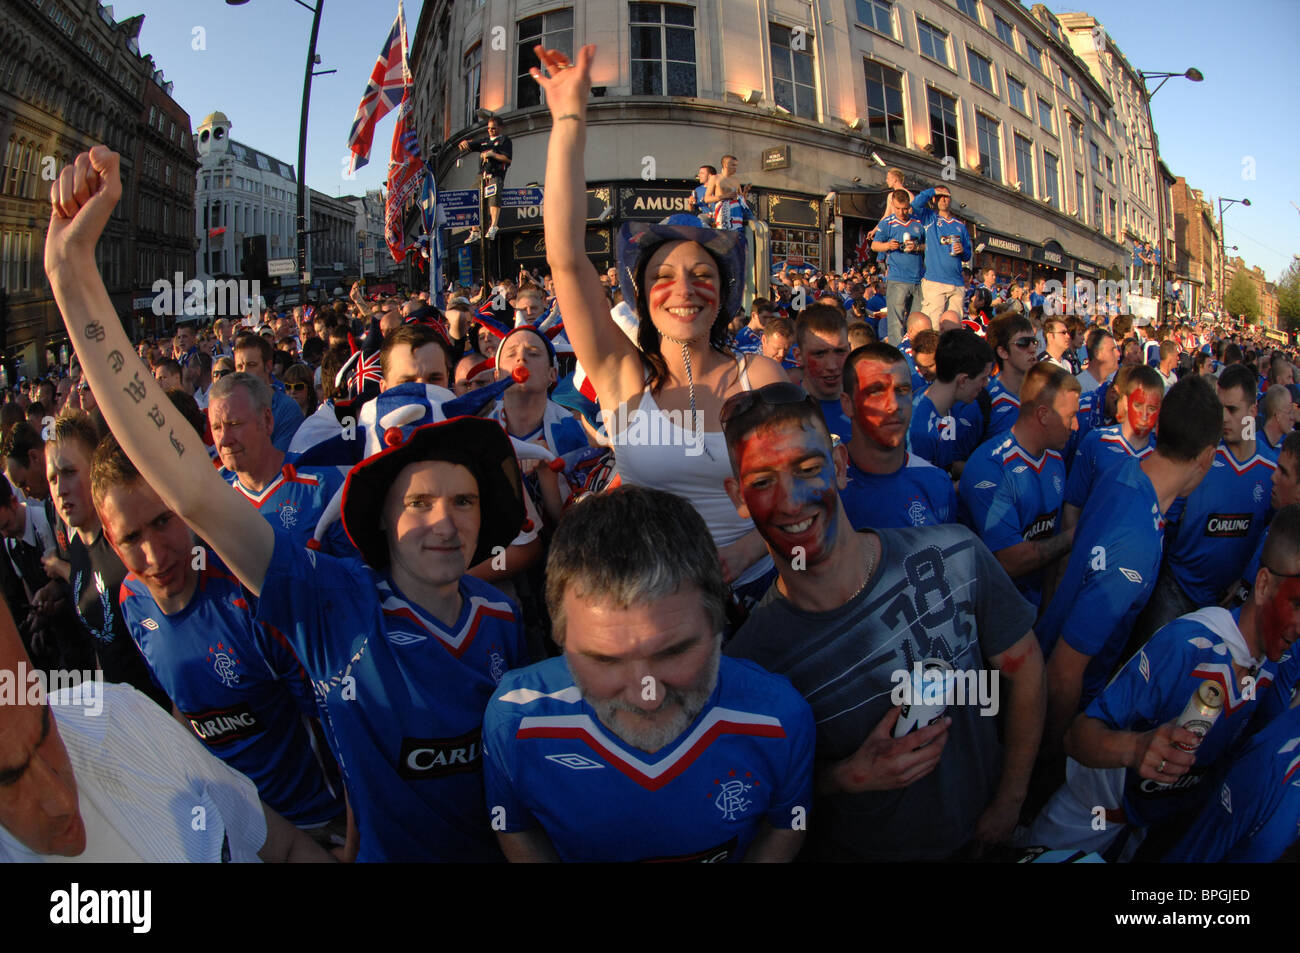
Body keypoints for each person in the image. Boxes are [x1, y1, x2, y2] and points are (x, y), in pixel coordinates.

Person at [45, 144, 530, 862]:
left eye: (462, 499)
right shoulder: (330, 606)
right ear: (378, 513)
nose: (444, 521)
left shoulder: (506, 620)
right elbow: (191, 488)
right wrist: (71, 276)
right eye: (419, 499)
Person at [720, 383, 1045, 861]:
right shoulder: (748, 664)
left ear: (841, 466)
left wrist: (1009, 802)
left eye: (808, 469)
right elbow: (759, 794)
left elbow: (1026, 669)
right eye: (763, 481)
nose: (790, 502)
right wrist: (845, 776)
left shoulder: (955, 553)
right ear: (739, 497)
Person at [532, 44, 787, 609]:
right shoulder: (622, 374)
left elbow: (808, 496)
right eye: (663, 277)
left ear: (722, 296)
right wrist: (569, 116)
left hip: (757, 600)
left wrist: (743, 555)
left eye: (703, 275)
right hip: (647, 605)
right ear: (642, 300)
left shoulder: (761, 377)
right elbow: (566, 256)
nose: (685, 288)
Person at [482, 487, 814, 862]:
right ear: (558, 637)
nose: (647, 696)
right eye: (605, 660)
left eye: (673, 653)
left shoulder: (782, 720)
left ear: (720, 624)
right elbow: (517, 828)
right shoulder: (515, 724)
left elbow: (786, 823)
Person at [92, 434, 346, 837]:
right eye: (131, 538)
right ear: (110, 540)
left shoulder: (251, 591)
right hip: (231, 832)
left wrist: (352, 837)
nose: (155, 556)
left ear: (187, 506)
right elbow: (186, 706)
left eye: (163, 521)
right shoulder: (131, 601)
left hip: (317, 826)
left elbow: (338, 716)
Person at [1030, 504, 1300, 861]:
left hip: (1147, 840)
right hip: (1084, 823)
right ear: (1264, 584)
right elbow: (1078, 736)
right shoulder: (1186, 646)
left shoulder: (1270, 665)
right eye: (1297, 603)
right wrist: (1136, 748)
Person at [0, 597, 331, 862]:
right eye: (8, 780)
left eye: (47, 726)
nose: (62, 800)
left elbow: (282, 846)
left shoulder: (117, 713)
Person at [1036, 376, 1222, 757]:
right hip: (1063, 711)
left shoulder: (1126, 471)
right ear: (1207, 458)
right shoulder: (1135, 546)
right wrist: (1054, 756)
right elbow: (1063, 673)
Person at [1133, 364, 1275, 644]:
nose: (1224, 418)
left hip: (1225, 605)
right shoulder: (1199, 455)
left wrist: (1245, 580)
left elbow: (1269, 536)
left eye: (1232, 409)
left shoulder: (1271, 470)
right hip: (1176, 589)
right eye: (1219, 408)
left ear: (1253, 411)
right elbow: (1163, 518)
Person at [958, 363, 1079, 608]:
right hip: (990, 613)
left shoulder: (1054, 458)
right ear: (1043, 415)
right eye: (1070, 416)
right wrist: (1077, 535)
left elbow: (1050, 546)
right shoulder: (991, 467)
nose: (1075, 426)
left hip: (1033, 607)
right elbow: (1010, 562)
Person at [838, 343, 956, 529]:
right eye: (876, 391)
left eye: (902, 391)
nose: (894, 405)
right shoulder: (824, 484)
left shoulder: (936, 483)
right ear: (847, 404)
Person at [1061, 364, 1162, 534]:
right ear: (1126, 401)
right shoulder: (1096, 441)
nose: (1144, 416)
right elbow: (1072, 506)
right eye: (1138, 405)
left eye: (1151, 408)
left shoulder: (1160, 455)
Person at [908, 328, 992, 474]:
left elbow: (946, 467)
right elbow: (922, 491)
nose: (986, 384)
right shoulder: (920, 429)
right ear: (963, 380)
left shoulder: (946, 408)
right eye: (983, 378)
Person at [232, 332, 303, 452]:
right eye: (239, 367)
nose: (244, 373)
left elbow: (276, 460)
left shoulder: (287, 409)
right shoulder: (233, 409)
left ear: (268, 366)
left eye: (251, 365)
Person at [871, 189, 925, 344]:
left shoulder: (918, 222)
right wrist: (888, 245)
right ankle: (898, 357)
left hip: (918, 279)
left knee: (916, 322)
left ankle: (913, 353)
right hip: (897, 278)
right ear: (892, 205)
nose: (902, 212)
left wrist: (917, 247)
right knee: (896, 323)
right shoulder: (887, 223)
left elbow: (928, 246)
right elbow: (874, 245)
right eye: (898, 208)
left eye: (905, 208)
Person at [794, 305, 853, 445]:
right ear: (798, 356)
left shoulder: (867, 407)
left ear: (850, 349)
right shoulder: (783, 413)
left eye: (840, 351)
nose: (832, 366)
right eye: (819, 354)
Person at [911, 185, 971, 321]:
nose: (943, 200)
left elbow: (968, 254)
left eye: (946, 196)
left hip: (956, 282)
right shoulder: (930, 218)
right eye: (939, 197)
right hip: (935, 281)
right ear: (934, 200)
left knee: (954, 326)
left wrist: (963, 250)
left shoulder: (960, 226)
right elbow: (915, 204)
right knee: (933, 323)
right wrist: (932, 191)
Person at [984, 313, 1039, 442]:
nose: (1032, 349)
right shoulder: (986, 401)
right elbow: (959, 459)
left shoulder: (1043, 394)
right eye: (1023, 343)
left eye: (1034, 342)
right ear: (1003, 352)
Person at [459, 116, 513, 242]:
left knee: (494, 197)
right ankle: (475, 230)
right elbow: (469, 145)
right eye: (489, 128)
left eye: (493, 129)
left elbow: (508, 159)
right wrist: (464, 143)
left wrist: (492, 154)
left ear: (500, 128)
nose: (490, 131)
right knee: (471, 196)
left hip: (495, 173)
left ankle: (494, 225)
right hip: (482, 174)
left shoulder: (504, 140)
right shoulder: (484, 141)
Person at [1077, 328, 1118, 395]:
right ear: (1097, 353)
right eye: (1112, 350)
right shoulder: (1079, 387)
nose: (1118, 354)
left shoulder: (1115, 384)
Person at [1258, 384, 1293, 461]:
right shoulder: (1254, 447)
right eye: (1289, 412)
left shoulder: (1288, 445)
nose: (1292, 418)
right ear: (1278, 416)